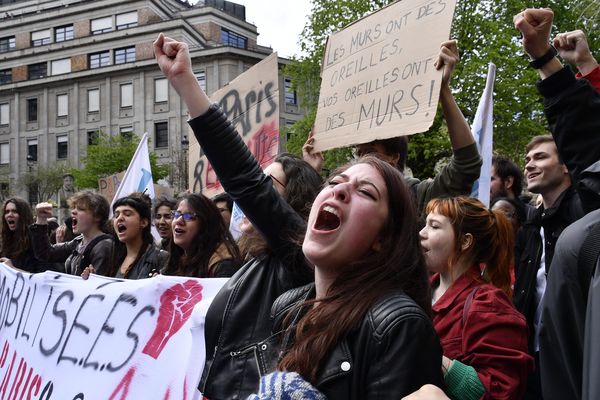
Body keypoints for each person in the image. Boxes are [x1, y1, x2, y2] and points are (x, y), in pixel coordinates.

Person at [155, 33, 443, 399]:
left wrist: (187, 85)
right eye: (336, 181)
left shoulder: (397, 325)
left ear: (383, 237)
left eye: (365, 192)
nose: (339, 189)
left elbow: (248, 182)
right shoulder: (289, 309)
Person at [513, 9, 600, 400]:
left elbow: (586, 140)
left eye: (542, 158)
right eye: (527, 159)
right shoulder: (530, 226)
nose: (530, 164)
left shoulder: (584, 221)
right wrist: (548, 59)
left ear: (569, 168)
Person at [420, 196, 533, 399]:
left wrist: (429, 355)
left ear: (465, 241)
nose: (421, 234)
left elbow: (499, 390)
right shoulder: (419, 291)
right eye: (424, 224)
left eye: (434, 226)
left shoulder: (488, 305)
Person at [351, 40, 482, 215]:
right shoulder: (345, 194)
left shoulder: (416, 197)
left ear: (393, 157)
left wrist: (442, 90)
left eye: (368, 152)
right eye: (359, 154)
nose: (362, 161)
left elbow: (467, 165)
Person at [30, 192, 113, 276]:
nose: (73, 212)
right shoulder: (78, 242)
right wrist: (41, 219)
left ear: (97, 216)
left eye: (81, 209)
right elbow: (45, 253)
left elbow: (99, 284)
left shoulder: (103, 245)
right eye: (73, 208)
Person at [162, 193, 241, 278]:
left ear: (206, 224)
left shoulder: (224, 265)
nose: (178, 221)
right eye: (176, 214)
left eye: (189, 216)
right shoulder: (177, 259)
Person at [109, 192, 168, 279]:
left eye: (127, 214)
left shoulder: (160, 258)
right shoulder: (113, 257)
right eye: (116, 215)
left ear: (143, 222)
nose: (119, 218)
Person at [0, 198, 42, 272]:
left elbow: (40, 276)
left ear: (23, 215)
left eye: (14, 211)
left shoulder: (35, 240)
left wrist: (12, 269)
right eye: (7, 212)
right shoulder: (5, 240)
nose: (9, 215)